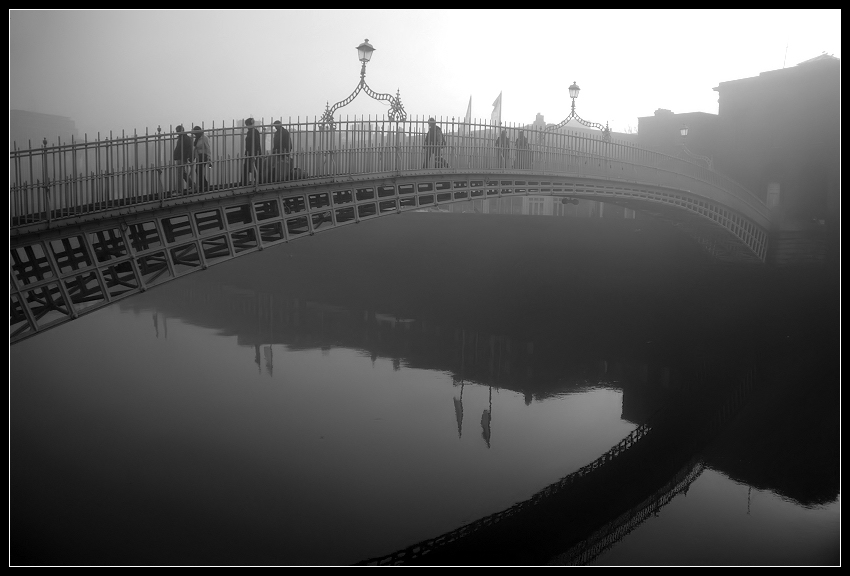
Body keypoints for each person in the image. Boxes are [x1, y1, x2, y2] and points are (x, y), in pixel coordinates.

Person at [172, 125, 195, 194]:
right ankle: (192, 185)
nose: (178, 133)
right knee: (182, 174)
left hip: (182, 158)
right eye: (177, 131)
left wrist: (188, 158)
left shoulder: (185, 138)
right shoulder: (182, 138)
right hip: (180, 157)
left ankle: (179, 190)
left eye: (178, 131)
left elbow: (188, 149)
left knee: (180, 174)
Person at [242, 117, 263, 186]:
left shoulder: (254, 132)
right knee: (251, 168)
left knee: (252, 168)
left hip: (253, 154)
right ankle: (249, 182)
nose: (246, 126)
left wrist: (255, 154)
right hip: (250, 153)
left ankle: (254, 182)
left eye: (247, 124)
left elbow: (256, 143)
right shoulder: (251, 132)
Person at [192, 126, 211, 192]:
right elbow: (195, 148)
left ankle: (204, 186)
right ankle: (204, 185)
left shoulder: (204, 138)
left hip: (204, 156)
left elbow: (208, 148)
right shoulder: (197, 138)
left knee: (199, 171)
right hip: (199, 156)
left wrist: (209, 158)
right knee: (198, 171)